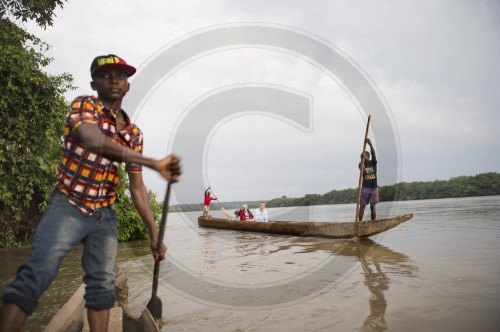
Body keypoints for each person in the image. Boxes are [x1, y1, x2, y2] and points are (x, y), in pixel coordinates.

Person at [0, 54, 181, 332]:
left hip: (104, 215)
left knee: (102, 288)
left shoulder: (133, 133)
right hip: (69, 204)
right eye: (105, 75)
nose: (114, 80)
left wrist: (154, 235)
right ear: (94, 83)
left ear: (128, 86)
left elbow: (137, 189)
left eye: (120, 76)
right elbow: (91, 139)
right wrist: (153, 162)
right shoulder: (85, 106)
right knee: (39, 272)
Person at [358, 138, 378, 221]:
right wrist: (362, 160)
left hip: (373, 187)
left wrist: (370, 144)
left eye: (364, 156)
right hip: (365, 188)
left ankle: (373, 223)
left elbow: (373, 154)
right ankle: (359, 222)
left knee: (372, 206)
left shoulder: (372, 162)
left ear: (368, 156)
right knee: (362, 206)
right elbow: (361, 169)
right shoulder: (361, 164)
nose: (362, 157)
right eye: (361, 156)